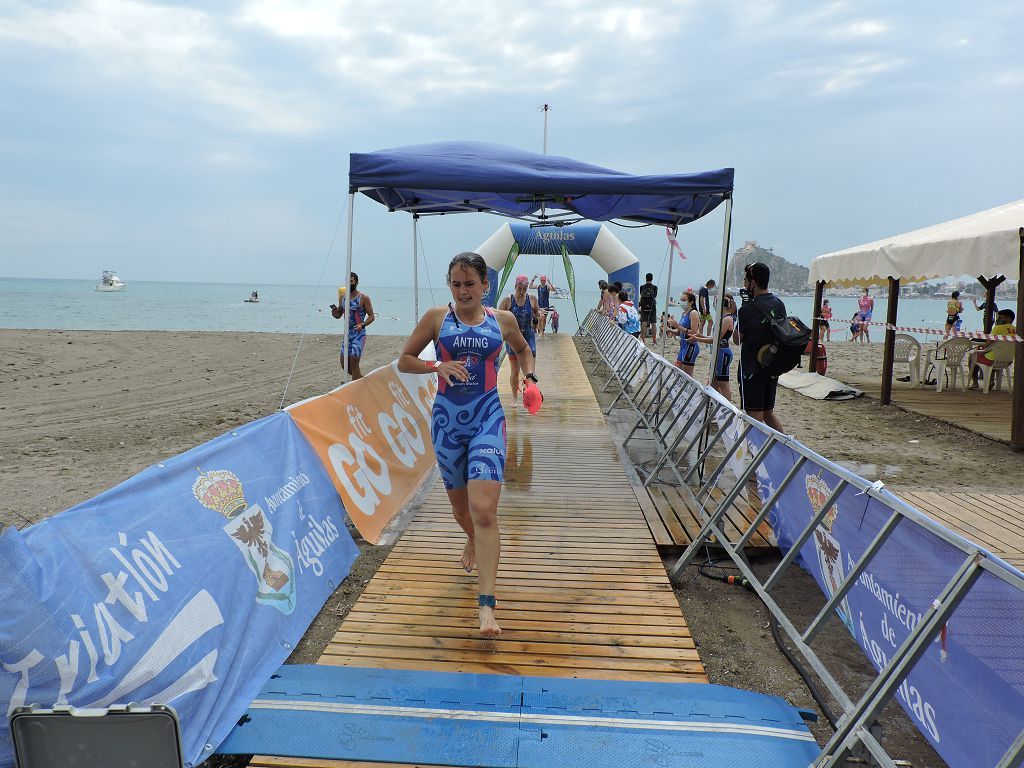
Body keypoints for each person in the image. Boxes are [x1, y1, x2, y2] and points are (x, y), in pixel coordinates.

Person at [397, 252, 538, 638]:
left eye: (470, 284)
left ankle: (487, 607)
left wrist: (531, 378)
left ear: (485, 285)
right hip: (446, 424)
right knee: (463, 514)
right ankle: (472, 538)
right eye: (456, 284)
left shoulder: (502, 320)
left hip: (487, 419)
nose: (463, 291)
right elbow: (404, 360)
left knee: (484, 509)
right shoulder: (435, 319)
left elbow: (523, 349)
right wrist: (435, 366)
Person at [735, 262, 786, 432]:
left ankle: (756, 456)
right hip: (772, 366)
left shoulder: (747, 310)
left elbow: (737, 339)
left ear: (753, 282)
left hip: (752, 369)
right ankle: (786, 451)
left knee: (754, 418)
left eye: (745, 280)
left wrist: (738, 313)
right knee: (768, 413)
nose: (744, 284)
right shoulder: (779, 304)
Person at [498, 275, 539, 407]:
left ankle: (530, 393)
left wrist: (537, 322)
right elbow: (498, 317)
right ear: (515, 286)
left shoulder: (532, 298)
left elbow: (536, 313)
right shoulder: (507, 300)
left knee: (530, 371)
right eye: (519, 288)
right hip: (513, 337)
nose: (521, 292)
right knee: (515, 370)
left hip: (528, 335)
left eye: (524, 289)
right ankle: (514, 397)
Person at [687, 294, 737, 401]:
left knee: (723, 385)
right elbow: (714, 337)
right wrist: (700, 336)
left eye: (717, 301)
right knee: (713, 384)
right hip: (718, 352)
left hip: (722, 353)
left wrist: (698, 339)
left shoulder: (727, 319)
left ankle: (727, 412)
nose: (714, 304)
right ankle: (715, 408)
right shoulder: (722, 318)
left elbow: (716, 340)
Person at [330, 272, 375, 380]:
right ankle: (361, 380)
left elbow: (372, 316)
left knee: (354, 360)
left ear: (356, 282)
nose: (349, 283)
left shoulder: (363, 298)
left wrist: (362, 324)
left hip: (359, 333)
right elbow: (339, 314)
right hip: (347, 334)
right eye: (347, 281)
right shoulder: (343, 298)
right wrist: (334, 311)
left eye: (351, 281)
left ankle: (354, 387)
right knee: (344, 364)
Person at [968, 309, 1016, 389]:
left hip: (993, 359)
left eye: (1000, 318)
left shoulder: (998, 328)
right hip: (1008, 360)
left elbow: (988, 344)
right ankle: (990, 381)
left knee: (972, 356)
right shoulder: (1017, 330)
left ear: (1009, 319)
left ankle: (975, 383)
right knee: (993, 354)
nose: (998, 320)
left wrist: (981, 348)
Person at [667, 292, 701, 377]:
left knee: (687, 376)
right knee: (678, 371)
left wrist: (677, 326)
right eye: (681, 300)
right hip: (683, 346)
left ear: (691, 302)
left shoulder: (693, 313)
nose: (681, 302)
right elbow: (679, 332)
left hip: (690, 346)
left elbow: (694, 332)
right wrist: (669, 329)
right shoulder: (683, 314)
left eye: (683, 300)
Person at [638, 273, 659, 345]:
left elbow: (641, 294)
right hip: (652, 307)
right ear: (652, 279)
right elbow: (655, 296)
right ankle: (654, 340)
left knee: (643, 323)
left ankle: (643, 340)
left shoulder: (642, 287)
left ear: (646, 278)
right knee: (653, 323)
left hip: (644, 306)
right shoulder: (655, 287)